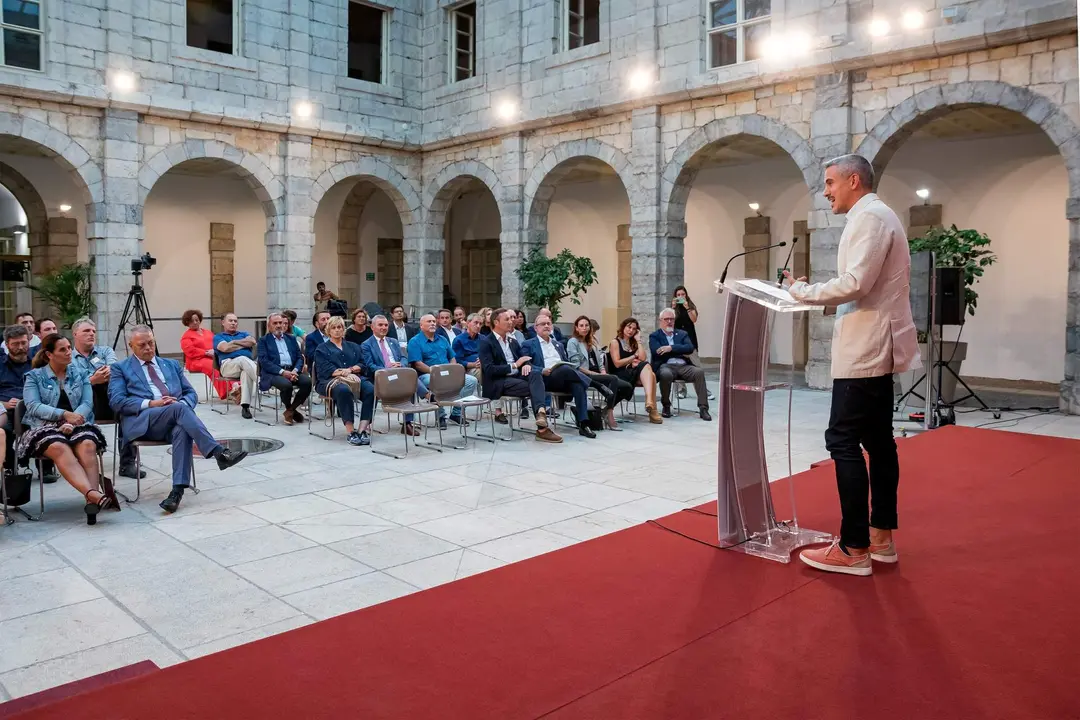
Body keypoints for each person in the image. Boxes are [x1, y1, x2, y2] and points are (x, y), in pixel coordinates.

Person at [784, 154, 919, 577]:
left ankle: (853, 547)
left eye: (829, 183)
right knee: (878, 443)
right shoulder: (877, 216)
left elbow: (856, 283)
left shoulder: (870, 218)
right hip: (873, 345)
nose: (825, 192)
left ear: (853, 180)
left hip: (865, 350)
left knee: (842, 441)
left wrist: (803, 291)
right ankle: (880, 538)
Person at [108, 326, 247, 513]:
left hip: (174, 417)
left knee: (182, 427)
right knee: (179, 410)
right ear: (131, 345)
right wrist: (152, 403)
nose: (148, 348)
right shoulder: (120, 368)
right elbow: (117, 401)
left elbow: (190, 393)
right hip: (144, 421)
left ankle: (177, 492)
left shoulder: (171, 364)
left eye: (151, 343)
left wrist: (181, 404)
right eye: (142, 345)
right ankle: (219, 452)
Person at [20, 334, 112, 524]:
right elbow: (33, 406)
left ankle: (91, 504)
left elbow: (87, 402)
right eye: (62, 349)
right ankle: (93, 494)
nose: (69, 352)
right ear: (49, 354)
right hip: (42, 427)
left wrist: (73, 420)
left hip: (77, 423)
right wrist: (63, 415)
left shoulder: (79, 374)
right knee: (58, 446)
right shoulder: (34, 377)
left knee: (87, 444)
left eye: (69, 347)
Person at [70, 317, 144, 480]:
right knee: (87, 388)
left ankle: (127, 464)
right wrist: (91, 380)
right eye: (86, 331)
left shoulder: (105, 351)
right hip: (81, 405)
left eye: (93, 331)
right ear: (75, 334)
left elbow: (114, 370)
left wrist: (92, 378)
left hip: (108, 401)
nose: (91, 334)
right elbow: (71, 384)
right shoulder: (68, 357)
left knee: (128, 409)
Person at [478, 308, 561, 442]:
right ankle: (542, 429)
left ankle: (541, 413)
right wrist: (515, 365)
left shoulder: (512, 341)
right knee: (537, 387)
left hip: (516, 378)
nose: (511, 321)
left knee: (535, 374)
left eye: (512, 319)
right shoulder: (486, 342)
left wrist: (526, 364)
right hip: (499, 381)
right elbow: (489, 370)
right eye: (507, 319)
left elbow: (524, 358)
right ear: (496, 322)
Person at [520, 314, 599, 439]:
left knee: (576, 383)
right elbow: (526, 365)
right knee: (565, 369)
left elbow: (567, 362)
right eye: (543, 324)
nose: (546, 326)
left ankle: (584, 424)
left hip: (562, 377)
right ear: (536, 328)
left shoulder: (558, 345)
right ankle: (596, 384)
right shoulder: (528, 344)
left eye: (549, 323)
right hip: (544, 379)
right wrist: (542, 370)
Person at [407, 314, 478, 429]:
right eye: (429, 321)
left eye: (434, 321)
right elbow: (418, 364)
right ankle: (440, 416)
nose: (432, 323)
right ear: (421, 325)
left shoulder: (442, 339)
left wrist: (453, 370)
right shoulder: (415, 341)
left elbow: (452, 357)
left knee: (471, 381)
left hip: (447, 373)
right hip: (427, 375)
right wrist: (435, 373)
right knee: (436, 381)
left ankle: (456, 413)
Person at [314, 316, 375, 446]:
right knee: (343, 390)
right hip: (329, 381)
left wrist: (351, 370)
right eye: (334, 328)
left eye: (340, 327)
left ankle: (362, 430)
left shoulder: (353, 346)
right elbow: (325, 370)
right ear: (328, 330)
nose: (337, 330)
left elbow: (363, 364)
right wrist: (345, 373)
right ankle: (351, 431)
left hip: (354, 378)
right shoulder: (322, 348)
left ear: (343, 329)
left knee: (371, 389)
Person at [567, 315, 632, 431]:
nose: (584, 328)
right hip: (585, 375)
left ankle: (605, 410)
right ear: (576, 328)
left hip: (598, 374)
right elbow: (575, 367)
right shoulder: (573, 342)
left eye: (587, 325)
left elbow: (600, 363)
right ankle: (610, 415)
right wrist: (595, 374)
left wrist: (602, 372)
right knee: (613, 379)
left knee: (627, 387)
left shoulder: (592, 341)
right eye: (581, 326)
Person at [361, 314, 419, 436]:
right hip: (381, 378)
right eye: (380, 325)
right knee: (412, 381)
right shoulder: (366, 345)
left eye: (386, 325)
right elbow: (370, 365)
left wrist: (401, 365)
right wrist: (387, 369)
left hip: (398, 374)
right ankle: (429, 395)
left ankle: (407, 423)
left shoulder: (393, 341)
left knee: (411, 383)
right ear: (372, 327)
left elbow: (403, 357)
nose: (384, 327)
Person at [649, 309, 711, 421]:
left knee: (699, 372)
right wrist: (679, 350)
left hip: (684, 366)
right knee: (665, 374)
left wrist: (670, 348)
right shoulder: (655, 336)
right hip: (666, 366)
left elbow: (689, 348)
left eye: (671, 319)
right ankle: (666, 405)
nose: (669, 322)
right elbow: (656, 351)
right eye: (666, 319)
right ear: (660, 321)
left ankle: (703, 408)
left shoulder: (682, 334)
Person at [257, 313, 312, 425]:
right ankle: (290, 409)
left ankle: (290, 410)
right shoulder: (263, 341)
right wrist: (282, 372)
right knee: (286, 385)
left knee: (307, 382)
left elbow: (299, 357)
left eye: (280, 323)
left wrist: (295, 370)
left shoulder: (291, 339)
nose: (278, 325)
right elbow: (264, 361)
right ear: (269, 325)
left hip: (292, 370)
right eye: (275, 323)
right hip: (273, 373)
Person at [608, 318, 661, 423]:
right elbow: (617, 364)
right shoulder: (615, 342)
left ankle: (650, 403)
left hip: (633, 373)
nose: (631, 330)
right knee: (651, 374)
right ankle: (652, 409)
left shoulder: (634, 343)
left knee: (649, 371)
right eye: (629, 327)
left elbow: (643, 358)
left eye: (634, 329)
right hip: (620, 373)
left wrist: (638, 341)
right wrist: (633, 358)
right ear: (623, 327)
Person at [671, 285, 713, 401]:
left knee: (696, 366)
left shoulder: (690, 305)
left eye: (683, 294)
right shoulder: (674, 309)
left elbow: (694, 319)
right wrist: (673, 308)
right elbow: (670, 324)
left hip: (690, 339)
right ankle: (680, 390)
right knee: (678, 364)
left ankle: (703, 391)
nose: (681, 297)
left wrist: (687, 307)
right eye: (678, 295)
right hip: (677, 340)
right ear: (675, 296)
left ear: (686, 295)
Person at [0, 325, 33, 473]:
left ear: (29, 341)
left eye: (23, 343)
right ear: (7, 345)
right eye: (15, 344)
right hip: (8, 410)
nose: (20, 347)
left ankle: (46, 469)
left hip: (33, 409)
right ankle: (9, 467)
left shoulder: (38, 364)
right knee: (3, 430)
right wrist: (3, 404)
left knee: (47, 425)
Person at [214, 313, 258, 419]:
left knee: (246, 372)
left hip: (245, 366)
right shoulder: (218, 337)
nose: (233, 323)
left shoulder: (243, 333)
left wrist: (234, 342)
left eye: (235, 321)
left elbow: (252, 341)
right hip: (228, 366)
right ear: (223, 322)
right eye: (230, 321)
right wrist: (243, 345)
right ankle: (262, 381)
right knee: (243, 359)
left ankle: (245, 407)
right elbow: (225, 348)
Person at [179, 309, 228, 401]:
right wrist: (206, 352)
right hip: (196, 361)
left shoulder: (208, 332)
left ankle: (236, 387)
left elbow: (216, 342)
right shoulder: (186, 336)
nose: (195, 322)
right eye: (191, 321)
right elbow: (190, 351)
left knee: (227, 364)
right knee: (213, 366)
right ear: (187, 323)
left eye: (196, 320)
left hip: (212, 358)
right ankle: (228, 391)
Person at [451, 313, 483, 381]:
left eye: (480, 324)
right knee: (480, 371)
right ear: (468, 323)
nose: (478, 326)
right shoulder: (459, 340)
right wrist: (473, 365)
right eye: (476, 323)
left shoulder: (483, 338)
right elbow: (457, 361)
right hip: (467, 369)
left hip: (484, 364)